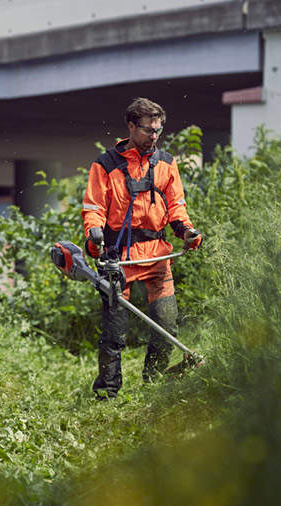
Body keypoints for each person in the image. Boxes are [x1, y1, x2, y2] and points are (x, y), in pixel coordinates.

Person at [81, 97, 202, 399]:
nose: (154, 137)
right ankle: (107, 395)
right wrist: (94, 235)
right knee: (114, 335)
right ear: (131, 127)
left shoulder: (166, 163)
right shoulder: (105, 165)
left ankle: (154, 383)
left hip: (158, 256)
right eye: (148, 130)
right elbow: (94, 207)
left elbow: (176, 207)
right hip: (118, 260)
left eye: (158, 131)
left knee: (166, 326)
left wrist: (186, 231)